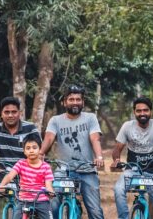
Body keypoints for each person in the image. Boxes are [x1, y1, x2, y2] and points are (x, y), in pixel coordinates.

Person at [40, 84, 105, 219]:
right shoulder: (56, 120)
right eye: (71, 99)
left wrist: (99, 156)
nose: (75, 102)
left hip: (87, 170)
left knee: (95, 212)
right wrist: (40, 153)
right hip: (63, 170)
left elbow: (95, 139)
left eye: (78, 99)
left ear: (82, 102)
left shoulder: (90, 118)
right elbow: (49, 138)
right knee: (53, 205)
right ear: (64, 102)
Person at [0, 97, 41, 219]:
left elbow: (39, 149)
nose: (10, 115)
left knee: (38, 201)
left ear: (19, 113)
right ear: (1, 114)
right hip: (5, 173)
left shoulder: (30, 128)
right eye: (6, 112)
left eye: (14, 112)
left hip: (27, 173)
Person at [110, 97, 153, 219]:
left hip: (152, 173)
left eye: (145, 110)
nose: (142, 113)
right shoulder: (127, 126)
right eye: (139, 111)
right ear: (134, 112)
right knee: (118, 189)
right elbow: (118, 148)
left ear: (150, 112)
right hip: (132, 170)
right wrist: (116, 160)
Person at [0, 133, 55, 219]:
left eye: (34, 147)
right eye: (28, 148)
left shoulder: (46, 167)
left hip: (41, 201)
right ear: (24, 151)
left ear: (40, 149)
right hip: (23, 200)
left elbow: (48, 185)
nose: (31, 150)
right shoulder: (21, 163)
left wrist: (50, 192)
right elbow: (10, 175)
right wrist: (2, 185)